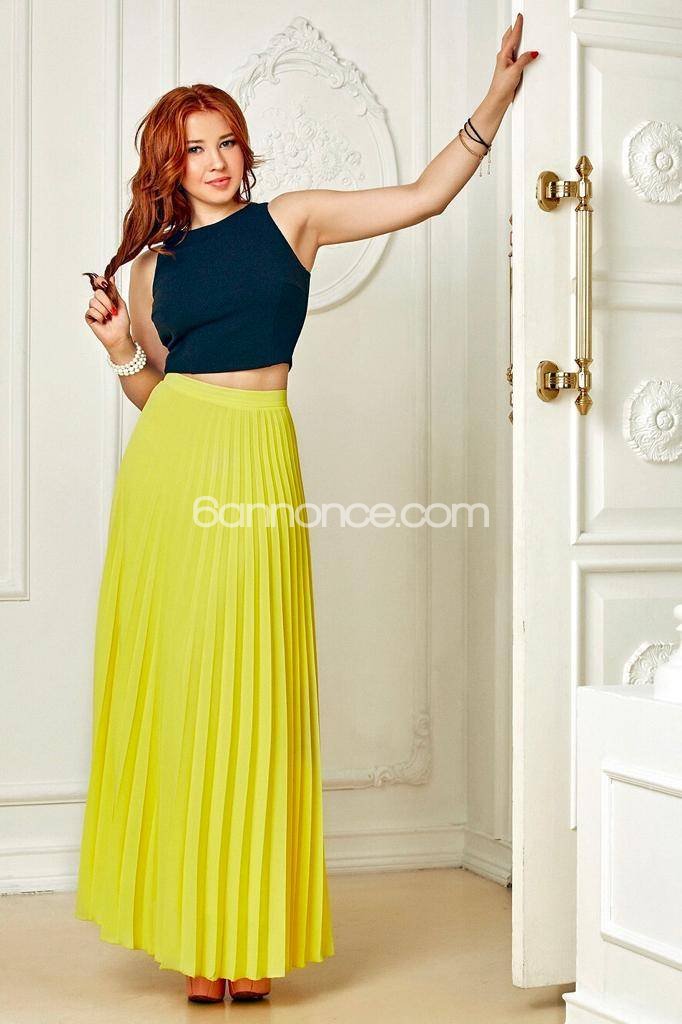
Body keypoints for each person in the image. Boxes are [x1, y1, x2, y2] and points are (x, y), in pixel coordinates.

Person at [74, 14, 537, 1005]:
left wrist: (494, 102)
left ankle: (246, 931)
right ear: (168, 166)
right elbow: (155, 391)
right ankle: (196, 935)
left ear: (246, 149)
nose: (216, 162)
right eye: (193, 149)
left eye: (227, 141)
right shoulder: (151, 270)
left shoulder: (294, 220)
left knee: (253, 688)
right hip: (171, 471)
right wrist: (119, 349)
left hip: (258, 459)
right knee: (187, 691)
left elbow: (423, 196)